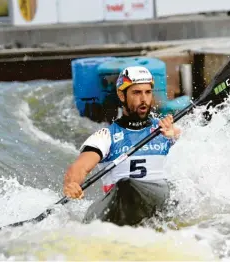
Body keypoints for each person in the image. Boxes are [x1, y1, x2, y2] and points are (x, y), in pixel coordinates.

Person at [63, 66, 181, 199]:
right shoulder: (105, 136)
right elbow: (80, 167)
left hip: (161, 200)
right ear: (121, 95)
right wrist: (72, 184)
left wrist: (175, 139)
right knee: (126, 184)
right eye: (136, 92)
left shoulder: (166, 129)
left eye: (148, 92)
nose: (144, 99)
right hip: (121, 202)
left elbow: (194, 158)